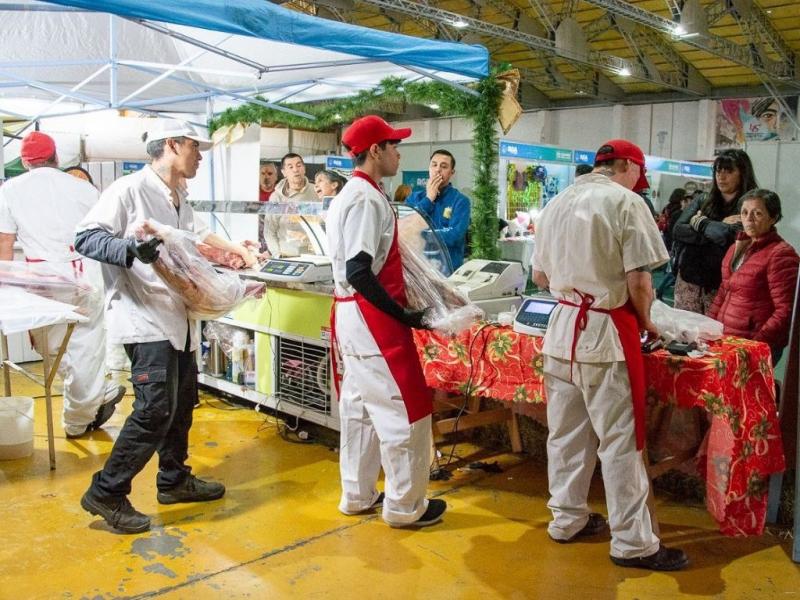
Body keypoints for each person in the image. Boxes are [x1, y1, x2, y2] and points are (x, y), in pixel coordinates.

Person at [74, 121, 256, 534]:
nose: (200, 155)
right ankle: (107, 490)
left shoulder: (179, 197)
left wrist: (235, 255)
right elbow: (85, 238)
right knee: (154, 409)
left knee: (182, 403)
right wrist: (128, 250)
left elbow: (193, 237)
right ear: (172, 145)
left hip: (179, 318)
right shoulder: (129, 190)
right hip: (143, 317)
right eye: (195, 146)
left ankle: (173, 480)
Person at [532, 138, 687, 571]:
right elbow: (639, 282)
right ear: (630, 167)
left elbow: (541, 275)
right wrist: (650, 323)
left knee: (565, 433)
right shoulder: (626, 202)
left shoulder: (558, 201)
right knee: (620, 440)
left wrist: (574, 285)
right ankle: (634, 543)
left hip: (562, 329)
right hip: (603, 330)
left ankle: (566, 519)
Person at [327, 115, 446, 528]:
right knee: (404, 408)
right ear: (375, 150)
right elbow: (359, 269)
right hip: (371, 315)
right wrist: (404, 315)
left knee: (359, 406)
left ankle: (357, 495)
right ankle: (405, 506)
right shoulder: (364, 198)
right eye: (394, 145)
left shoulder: (356, 193)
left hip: (352, 312)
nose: (399, 152)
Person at [0, 131, 124, 439]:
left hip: (44, 280)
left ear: (26, 162)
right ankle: (86, 408)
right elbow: (104, 234)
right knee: (86, 345)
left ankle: (85, 410)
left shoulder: (10, 189)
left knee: (53, 346)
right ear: (56, 158)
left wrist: (8, 291)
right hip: (85, 275)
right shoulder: (83, 188)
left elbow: (4, 242)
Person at [708, 189, 799, 366]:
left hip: (753, 345)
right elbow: (723, 293)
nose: (749, 218)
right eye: (744, 212)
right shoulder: (736, 248)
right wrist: (707, 327)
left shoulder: (781, 254)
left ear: (773, 218)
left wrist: (757, 343)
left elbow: (785, 310)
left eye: (757, 213)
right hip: (727, 340)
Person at [672, 148, 758, 314]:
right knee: (684, 333)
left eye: (728, 171)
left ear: (742, 173)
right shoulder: (704, 199)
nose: (721, 176)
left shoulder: (750, 204)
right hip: (689, 278)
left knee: (715, 334)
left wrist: (699, 222)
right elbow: (678, 230)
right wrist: (716, 227)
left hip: (723, 284)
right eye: (718, 171)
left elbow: (727, 236)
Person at [405, 149, 471, 269]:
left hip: (447, 271)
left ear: (452, 172)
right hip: (417, 269)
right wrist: (429, 199)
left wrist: (421, 234)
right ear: (429, 168)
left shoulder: (460, 201)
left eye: (444, 166)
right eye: (434, 165)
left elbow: (454, 236)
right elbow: (406, 229)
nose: (438, 169)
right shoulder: (414, 198)